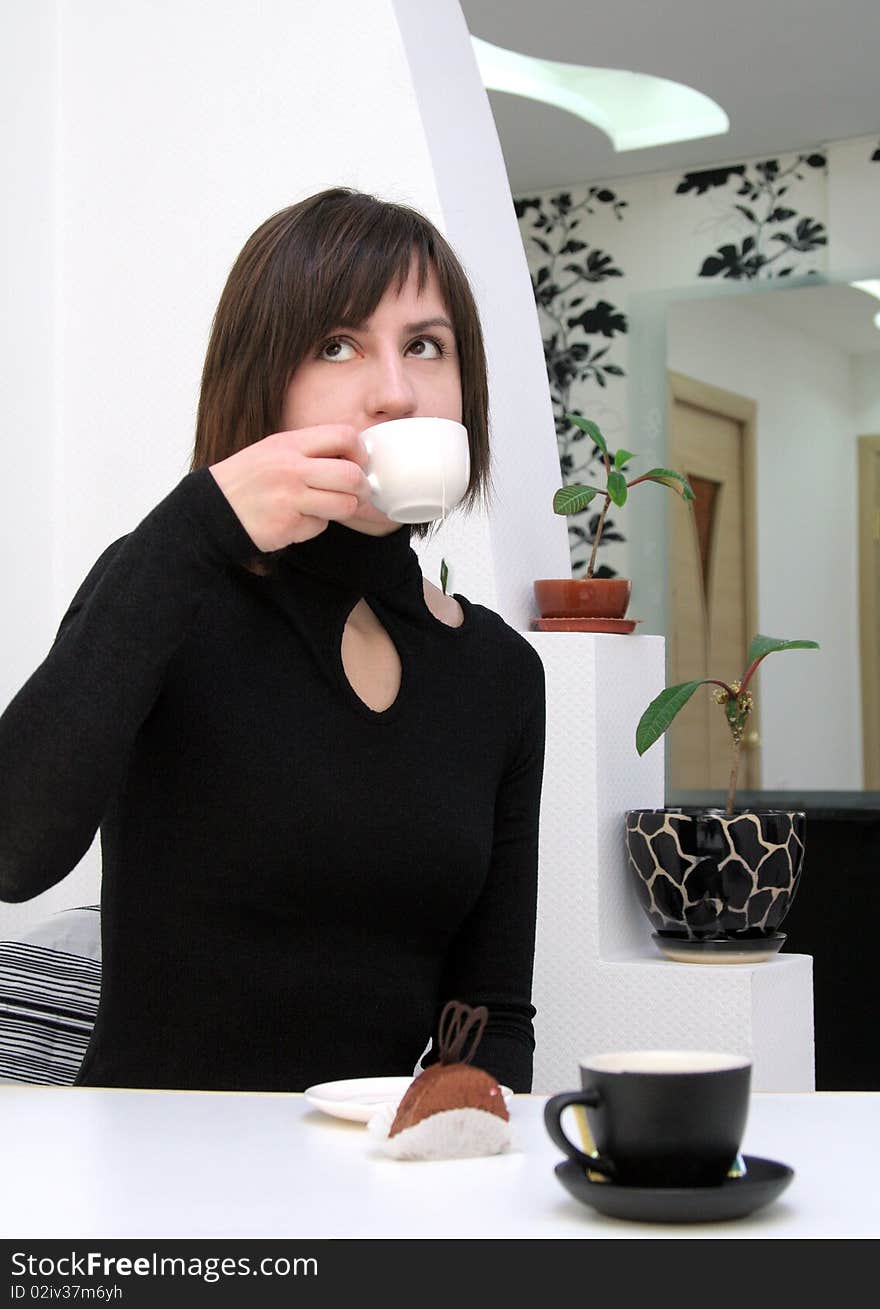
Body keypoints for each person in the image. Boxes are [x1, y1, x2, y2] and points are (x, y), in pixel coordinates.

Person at [0, 188, 546, 1093]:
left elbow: (493, 1015)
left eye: (426, 345)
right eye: (338, 345)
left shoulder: (498, 674)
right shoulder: (171, 587)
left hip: (366, 1189)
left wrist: (458, 1157)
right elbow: (13, 854)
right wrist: (199, 522)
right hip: (153, 1184)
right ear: (265, 378)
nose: (396, 390)